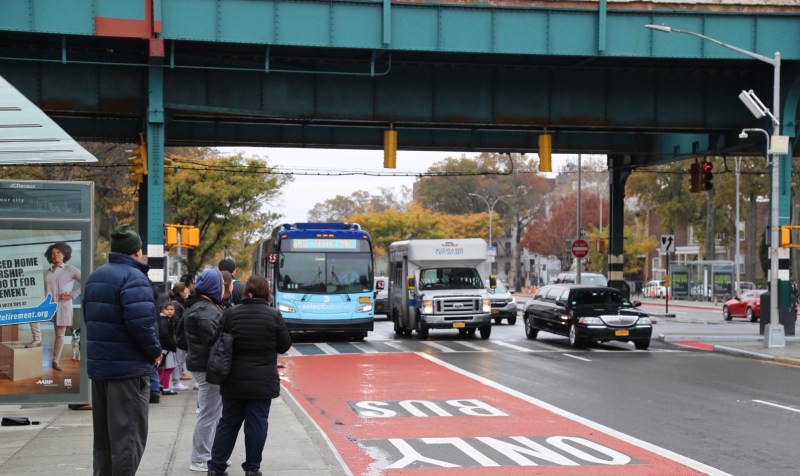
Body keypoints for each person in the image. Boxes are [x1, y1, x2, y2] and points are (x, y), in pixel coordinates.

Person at [82, 224, 162, 476]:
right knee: (128, 439)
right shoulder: (135, 278)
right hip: (128, 370)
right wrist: (155, 351)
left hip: (102, 369)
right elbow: (141, 324)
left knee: (104, 441)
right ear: (136, 252)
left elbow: (88, 317)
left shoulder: (96, 276)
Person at [207, 275, 292, 476]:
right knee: (257, 424)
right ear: (266, 292)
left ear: (246, 292)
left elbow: (216, 340)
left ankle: (216, 466)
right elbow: (284, 345)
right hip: (262, 381)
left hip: (233, 379)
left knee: (228, 423)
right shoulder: (274, 315)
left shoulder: (231, 313)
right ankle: (252, 468)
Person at [184, 268, 228, 473]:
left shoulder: (199, 306)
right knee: (209, 414)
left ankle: (207, 454)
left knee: (210, 413)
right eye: (221, 285)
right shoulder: (207, 310)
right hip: (207, 367)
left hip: (201, 365)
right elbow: (215, 341)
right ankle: (200, 457)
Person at [29, 242, 82, 374]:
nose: (55, 255)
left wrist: (73, 294)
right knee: (32, 314)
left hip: (62, 306)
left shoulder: (70, 269)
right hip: (47, 304)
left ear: (64, 254)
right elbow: (38, 288)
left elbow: (86, 280)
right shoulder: (46, 273)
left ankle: (55, 361)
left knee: (59, 335)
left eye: (58, 252)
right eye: (52, 253)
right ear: (49, 256)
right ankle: (37, 338)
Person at [170, 282, 191, 390]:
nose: (187, 292)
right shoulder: (177, 304)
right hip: (179, 337)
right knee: (178, 360)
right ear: (181, 292)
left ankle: (176, 381)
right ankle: (176, 382)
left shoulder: (179, 303)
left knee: (180, 360)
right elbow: (177, 321)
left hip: (179, 336)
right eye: (185, 290)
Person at [157, 301, 179, 395]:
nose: (170, 311)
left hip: (164, 347)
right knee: (169, 368)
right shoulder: (165, 321)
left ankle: (161, 386)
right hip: (166, 348)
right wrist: (173, 345)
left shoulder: (165, 320)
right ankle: (165, 388)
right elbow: (164, 335)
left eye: (172, 309)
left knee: (162, 368)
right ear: (163, 310)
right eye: (167, 309)